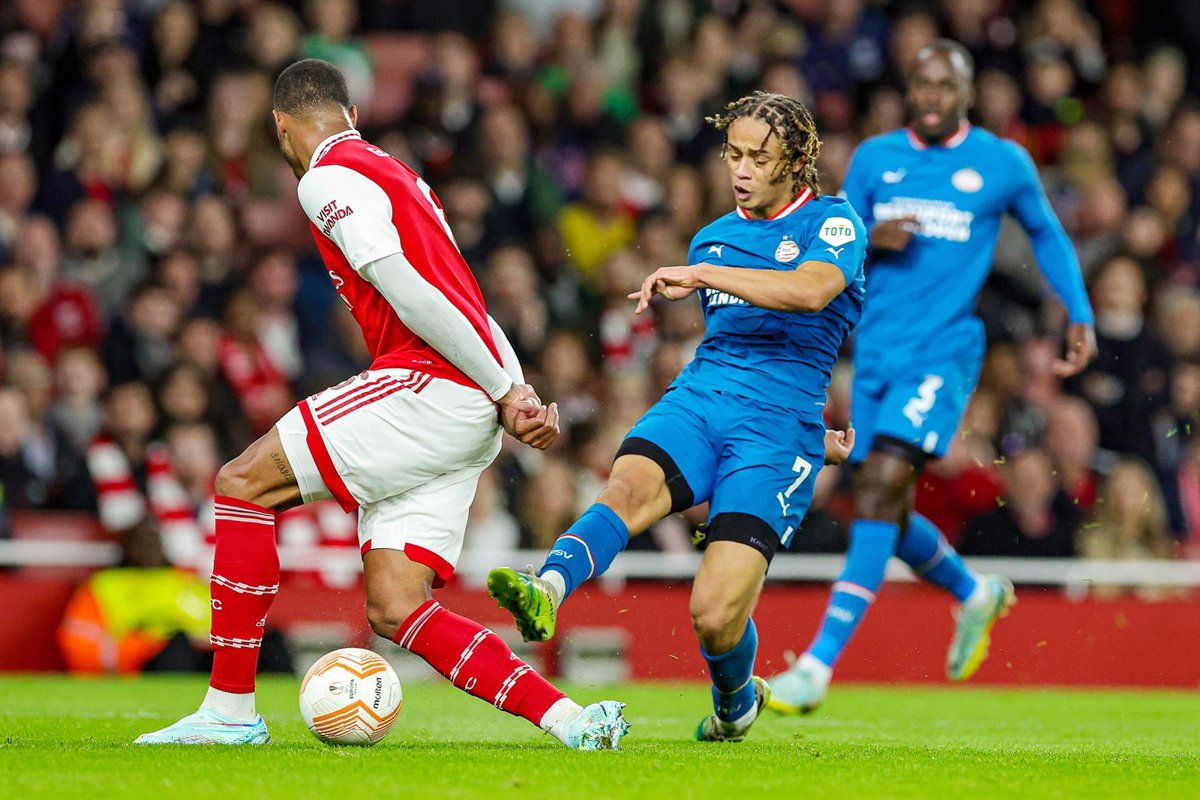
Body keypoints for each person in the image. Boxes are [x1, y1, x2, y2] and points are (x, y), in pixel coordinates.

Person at [136, 59, 629, 751]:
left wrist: (503, 389)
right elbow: (462, 292)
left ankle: (229, 712)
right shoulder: (396, 173)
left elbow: (406, 287)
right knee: (396, 607)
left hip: (433, 383)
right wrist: (509, 385)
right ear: (353, 115)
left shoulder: (326, 177)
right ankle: (572, 720)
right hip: (470, 398)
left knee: (242, 484)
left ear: (281, 126)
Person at [488, 91, 867, 743]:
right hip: (700, 400)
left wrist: (705, 274)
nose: (741, 170)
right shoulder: (714, 237)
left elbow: (810, 292)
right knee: (626, 488)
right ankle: (547, 587)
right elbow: (735, 343)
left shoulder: (832, 223)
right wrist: (706, 266)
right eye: (734, 154)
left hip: (776, 433)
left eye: (759, 158)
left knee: (714, 616)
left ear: (794, 162)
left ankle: (735, 702)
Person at [767, 40, 1095, 714]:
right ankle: (974, 592)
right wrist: (872, 233)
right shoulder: (875, 158)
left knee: (881, 484)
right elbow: (833, 240)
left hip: (944, 354)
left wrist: (1079, 311)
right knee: (884, 503)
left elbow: (1047, 233)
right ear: (909, 90)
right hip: (875, 357)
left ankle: (819, 664)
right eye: (923, 85)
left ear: (967, 92)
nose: (934, 97)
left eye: (946, 85)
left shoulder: (1001, 162)